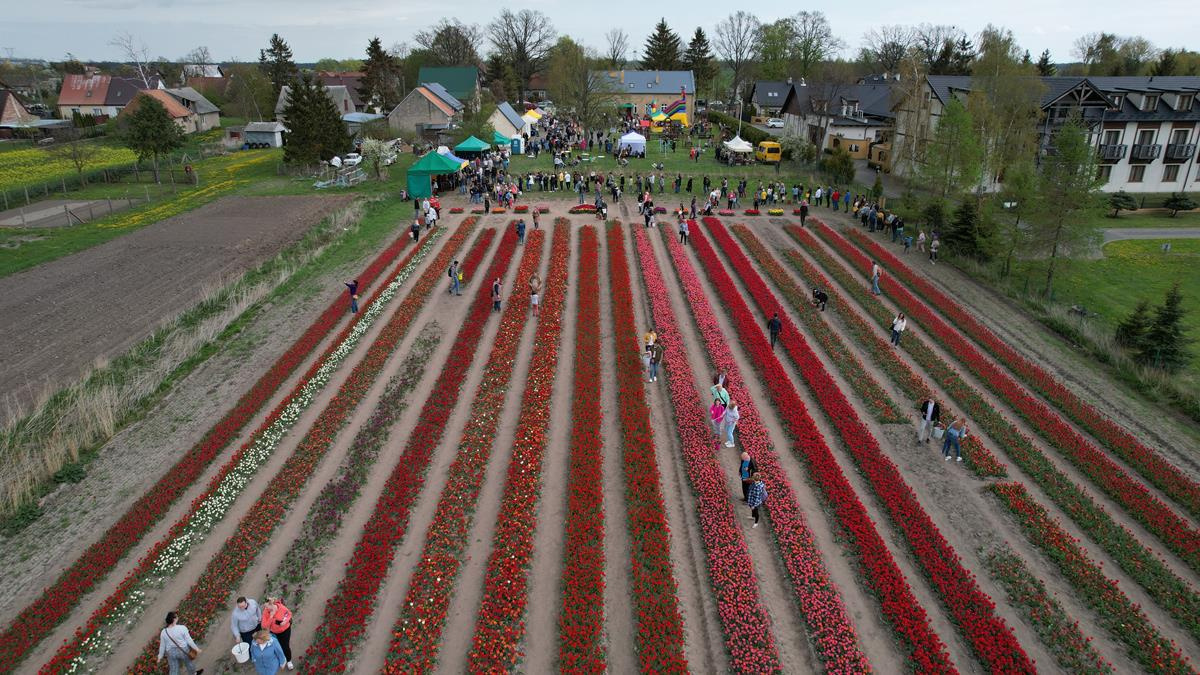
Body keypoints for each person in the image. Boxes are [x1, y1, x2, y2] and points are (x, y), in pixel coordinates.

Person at [260, 597, 294, 670]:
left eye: (267, 606)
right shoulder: (266, 612)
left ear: (272, 604)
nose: (266, 608)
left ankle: (289, 661)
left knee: (285, 646)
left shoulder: (281, 607)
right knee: (277, 647)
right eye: (265, 607)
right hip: (274, 632)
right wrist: (271, 616)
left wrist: (285, 621)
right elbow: (264, 625)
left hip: (285, 630)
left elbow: (288, 614)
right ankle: (282, 659)